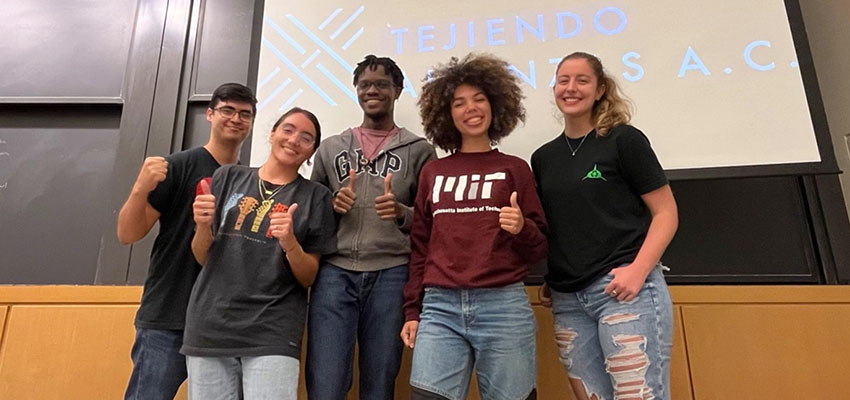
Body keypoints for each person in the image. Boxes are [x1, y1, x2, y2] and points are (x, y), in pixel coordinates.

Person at [531, 51, 678, 400]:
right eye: (563, 80)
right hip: (568, 301)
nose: (571, 88)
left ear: (599, 90)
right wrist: (554, 278)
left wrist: (638, 272)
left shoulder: (624, 140)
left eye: (582, 80)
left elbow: (666, 212)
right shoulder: (543, 158)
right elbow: (559, 224)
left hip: (624, 291)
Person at [400, 53, 547, 400]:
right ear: (446, 114)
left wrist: (521, 227)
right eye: (459, 103)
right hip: (439, 309)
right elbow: (421, 246)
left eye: (479, 99)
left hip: (504, 306)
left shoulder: (516, 169)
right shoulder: (433, 173)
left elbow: (540, 247)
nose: (471, 109)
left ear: (495, 105)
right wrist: (412, 310)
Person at [182, 107, 336, 400]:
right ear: (272, 133)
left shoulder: (317, 197)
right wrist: (203, 226)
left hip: (272, 330)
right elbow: (202, 256)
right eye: (288, 130)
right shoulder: (227, 176)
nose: (293, 140)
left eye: (306, 138)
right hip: (210, 324)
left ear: (311, 153)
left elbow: (308, 277)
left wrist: (290, 242)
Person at [306, 54, 436, 400]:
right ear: (356, 91)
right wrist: (332, 207)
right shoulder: (331, 147)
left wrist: (401, 213)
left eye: (381, 84)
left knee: (380, 380)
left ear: (397, 90)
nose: (372, 90)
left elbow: (430, 220)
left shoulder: (420, 151)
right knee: (327, 380)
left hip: (393, 272)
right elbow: (310, 216)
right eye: (365, 85)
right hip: (334, 272)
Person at [117, 82, 256, 400]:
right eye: (227, 110)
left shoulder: (249, 180)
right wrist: (140, 188)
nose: (235, 119)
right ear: (210, 114)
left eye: (245, 114)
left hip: (221, 322)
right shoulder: (178, 166)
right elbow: (127, 234)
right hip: (169, 313)